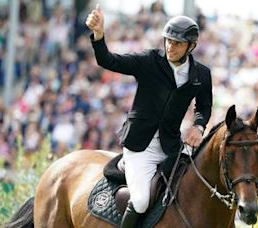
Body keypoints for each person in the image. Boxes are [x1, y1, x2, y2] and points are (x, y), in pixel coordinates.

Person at [86, 5, 212, 228]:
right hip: (139, 145)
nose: (171, 47)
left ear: (190, 47)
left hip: (171, 146)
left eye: (178, 43)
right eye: (168, 41)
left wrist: (199, 126)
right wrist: (98, 35)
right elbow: (108, 60)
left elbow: (204, 106)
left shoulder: (202, 74)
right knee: (142, 201)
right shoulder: (149, 61)